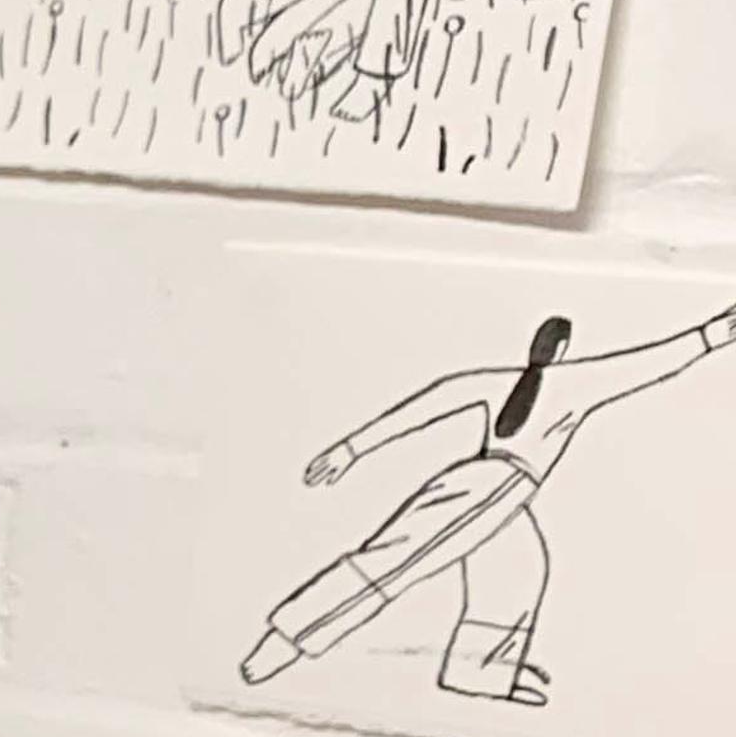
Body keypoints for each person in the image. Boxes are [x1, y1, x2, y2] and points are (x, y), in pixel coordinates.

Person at [245, 299, 736, 705]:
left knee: (519, 569)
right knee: (396, 561)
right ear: (563, 351)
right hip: (493, 489)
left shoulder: (502, 379)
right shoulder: (575, 382)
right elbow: (649, 363)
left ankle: (478, 673)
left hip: (487, 484)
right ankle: (285, 640)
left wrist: (352, 448)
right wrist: (712, 336)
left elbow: (432, 401)